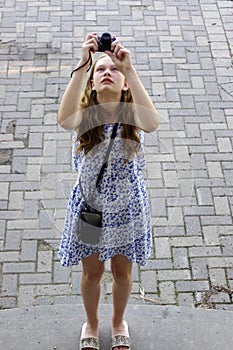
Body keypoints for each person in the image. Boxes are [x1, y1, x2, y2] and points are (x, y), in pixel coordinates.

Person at [57, 32, 159, 350]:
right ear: (91, 82)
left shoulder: (131, 117)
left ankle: (117, 322)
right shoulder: (85, 118)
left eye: (113, 69)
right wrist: (81, 65)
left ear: (124, 83)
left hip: (127, 212)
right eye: (100, 70)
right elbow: (63, 119)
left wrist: (129, 68)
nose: (107, 73)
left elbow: (152, 122)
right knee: (91, 272)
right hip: (90, 210)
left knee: (121, 271)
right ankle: (92, 322)